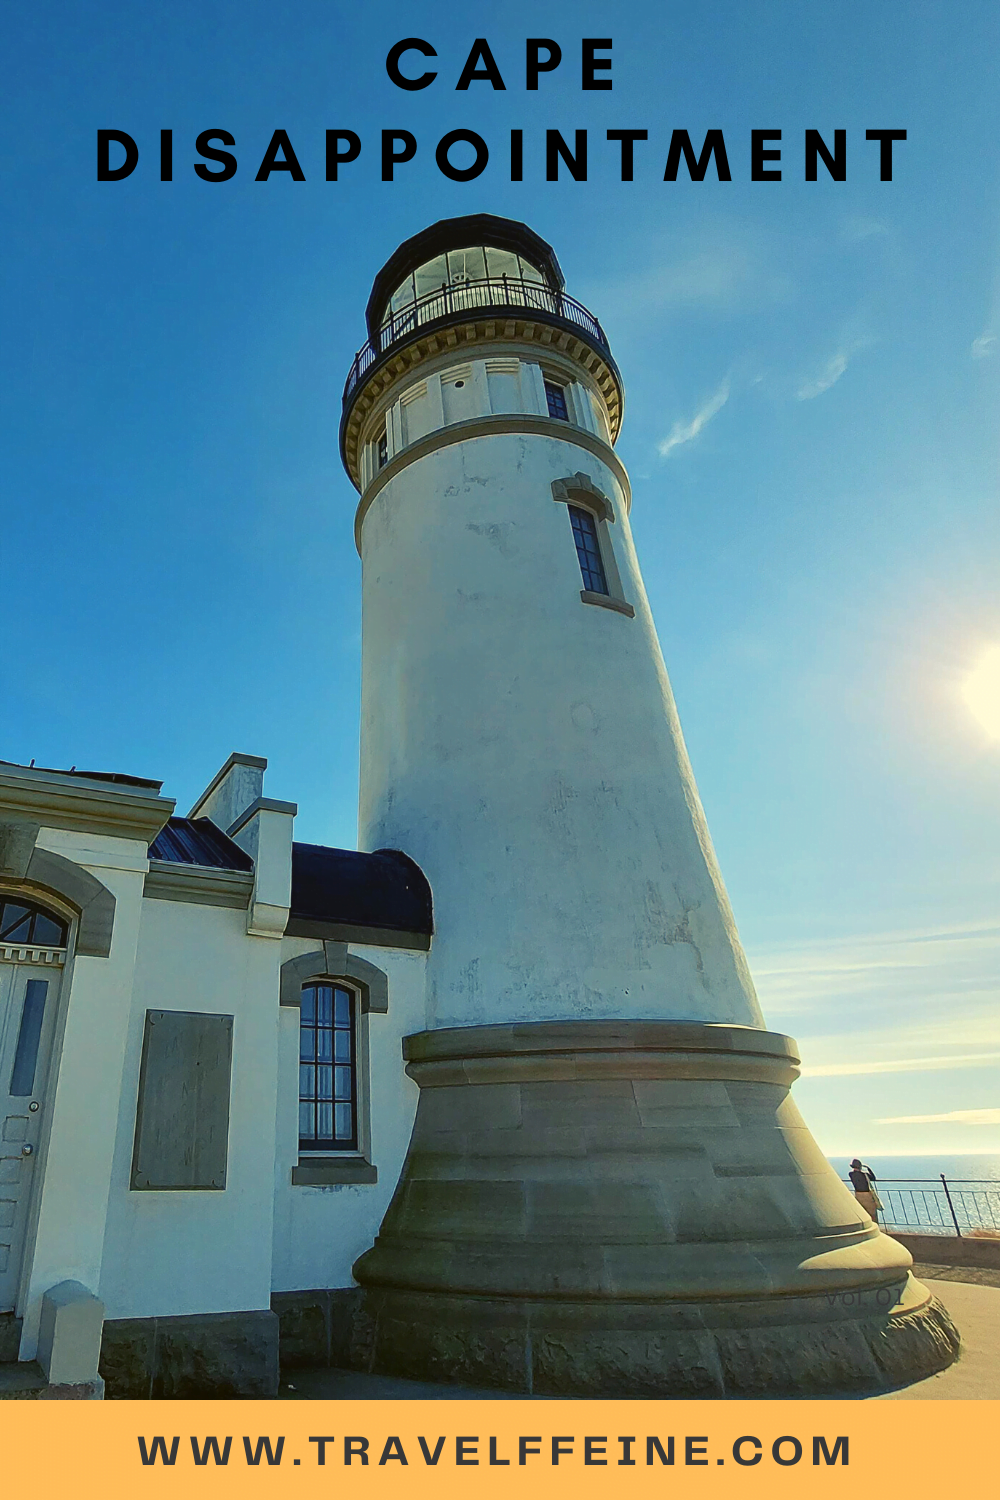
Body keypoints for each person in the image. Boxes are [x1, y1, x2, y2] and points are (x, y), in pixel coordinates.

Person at [849, 1158, 882, 1223]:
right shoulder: (865, 1175)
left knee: (863, 1213)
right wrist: (868, 1169)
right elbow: (873, 1178)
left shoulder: (850, 1174)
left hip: (858, 1195)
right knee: (872, 1214)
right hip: (867, 1195)